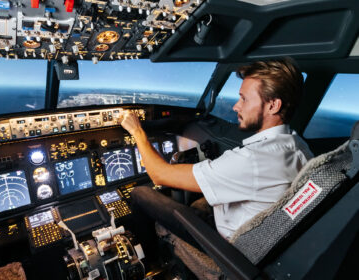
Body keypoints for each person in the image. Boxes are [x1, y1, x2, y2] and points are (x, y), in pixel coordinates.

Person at [120, 58, 313, 249]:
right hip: (260, 234)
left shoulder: (253, 160)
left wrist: (137, 131)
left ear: (273, 105)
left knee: (140, 193)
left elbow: (159, 175)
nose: (236, 106)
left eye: (244, 98)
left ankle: (149, 261)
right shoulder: (297, 145)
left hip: (225, 247)